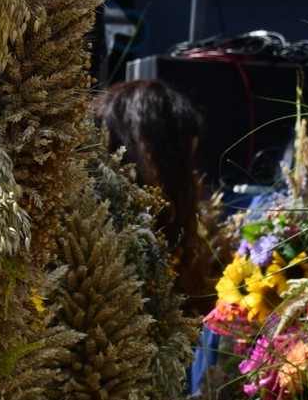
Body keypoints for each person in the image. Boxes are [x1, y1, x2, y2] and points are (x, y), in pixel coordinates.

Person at [90, 78, 216, 307]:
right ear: (162, 163)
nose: (194, 177)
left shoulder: (84, 220)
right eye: (187, 164)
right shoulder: (132, 253)